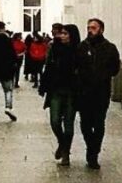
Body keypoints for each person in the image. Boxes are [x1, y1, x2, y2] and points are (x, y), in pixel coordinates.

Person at [76, 17, 121, 170]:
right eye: (88, 27)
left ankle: (93, 153)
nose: (90, 30)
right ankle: (91, 146)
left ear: (101, 29)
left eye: (93, 28)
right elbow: (76, 66)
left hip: (101, 92)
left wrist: (103, 75)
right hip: (84, 92)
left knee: (99, 122)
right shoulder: (82, 47)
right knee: (85, 124)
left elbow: (115, 69)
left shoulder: (110, 48)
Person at [40, 23, 81, 167]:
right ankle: (62, 143)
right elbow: (48, 67)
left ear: (72, 35)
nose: (61, 36)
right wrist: (43, 86)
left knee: (68, 125)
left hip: (72, 91)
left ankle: (66, 154)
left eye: (65, 33)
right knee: (55, 121)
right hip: (56, 90)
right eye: (61, 33)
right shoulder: (54, 48)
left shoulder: (79, 51)